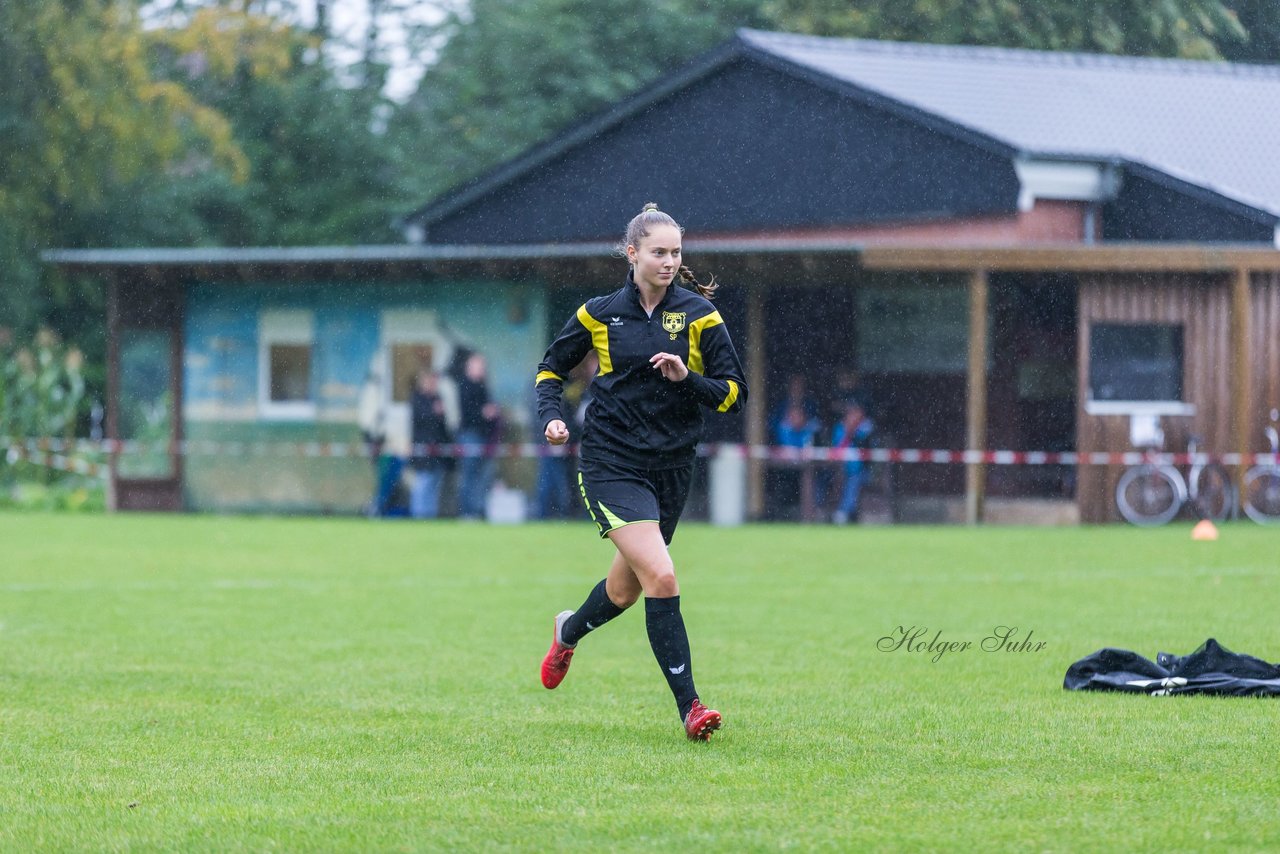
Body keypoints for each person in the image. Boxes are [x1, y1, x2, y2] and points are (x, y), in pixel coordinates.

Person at [535, 202, 747, 741]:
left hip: (672, 467)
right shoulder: (599, 313)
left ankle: (568, 631)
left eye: (676, 252)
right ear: (632, 254)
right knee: (664, 576)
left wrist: (686, 379)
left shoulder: (700, 315)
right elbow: (549, 370)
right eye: (659, 252)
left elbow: (733, 396)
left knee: (627, 592)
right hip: (611, 462)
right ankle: (691, 708)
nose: (670, 261)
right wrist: (553, 418)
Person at [453, 351, 501, 520]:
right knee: (469, 474)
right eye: (478, 365)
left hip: (484, 437)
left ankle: (478, 510)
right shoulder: (464, 385)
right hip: (470, 436)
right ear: (469, 367)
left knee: (484, 475)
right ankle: (466, 512)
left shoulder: (483, 386)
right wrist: (483, 413)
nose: (482, 369)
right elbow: (467, 413)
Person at [408, 369, 451, 519]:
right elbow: (421, 420)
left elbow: (442, 425)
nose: (433, 384)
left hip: (437, 449)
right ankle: (418, 515)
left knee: (434, 485)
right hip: (423, 449)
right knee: (422, 484)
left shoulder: (437, 398)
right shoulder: (417, 399)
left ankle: (430, 516)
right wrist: (434, 412)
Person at [830, 399, 875, 524]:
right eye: (850, 413)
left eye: (856, 413)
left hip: (864, 471)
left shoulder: (867, 428)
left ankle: (844, 512)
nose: (853, 416)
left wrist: (852, 432)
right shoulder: (839, 428)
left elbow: (865, 447)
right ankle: (818, 511)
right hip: (838, 469)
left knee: (854, 479)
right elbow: (836, 447)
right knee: (820, 477)